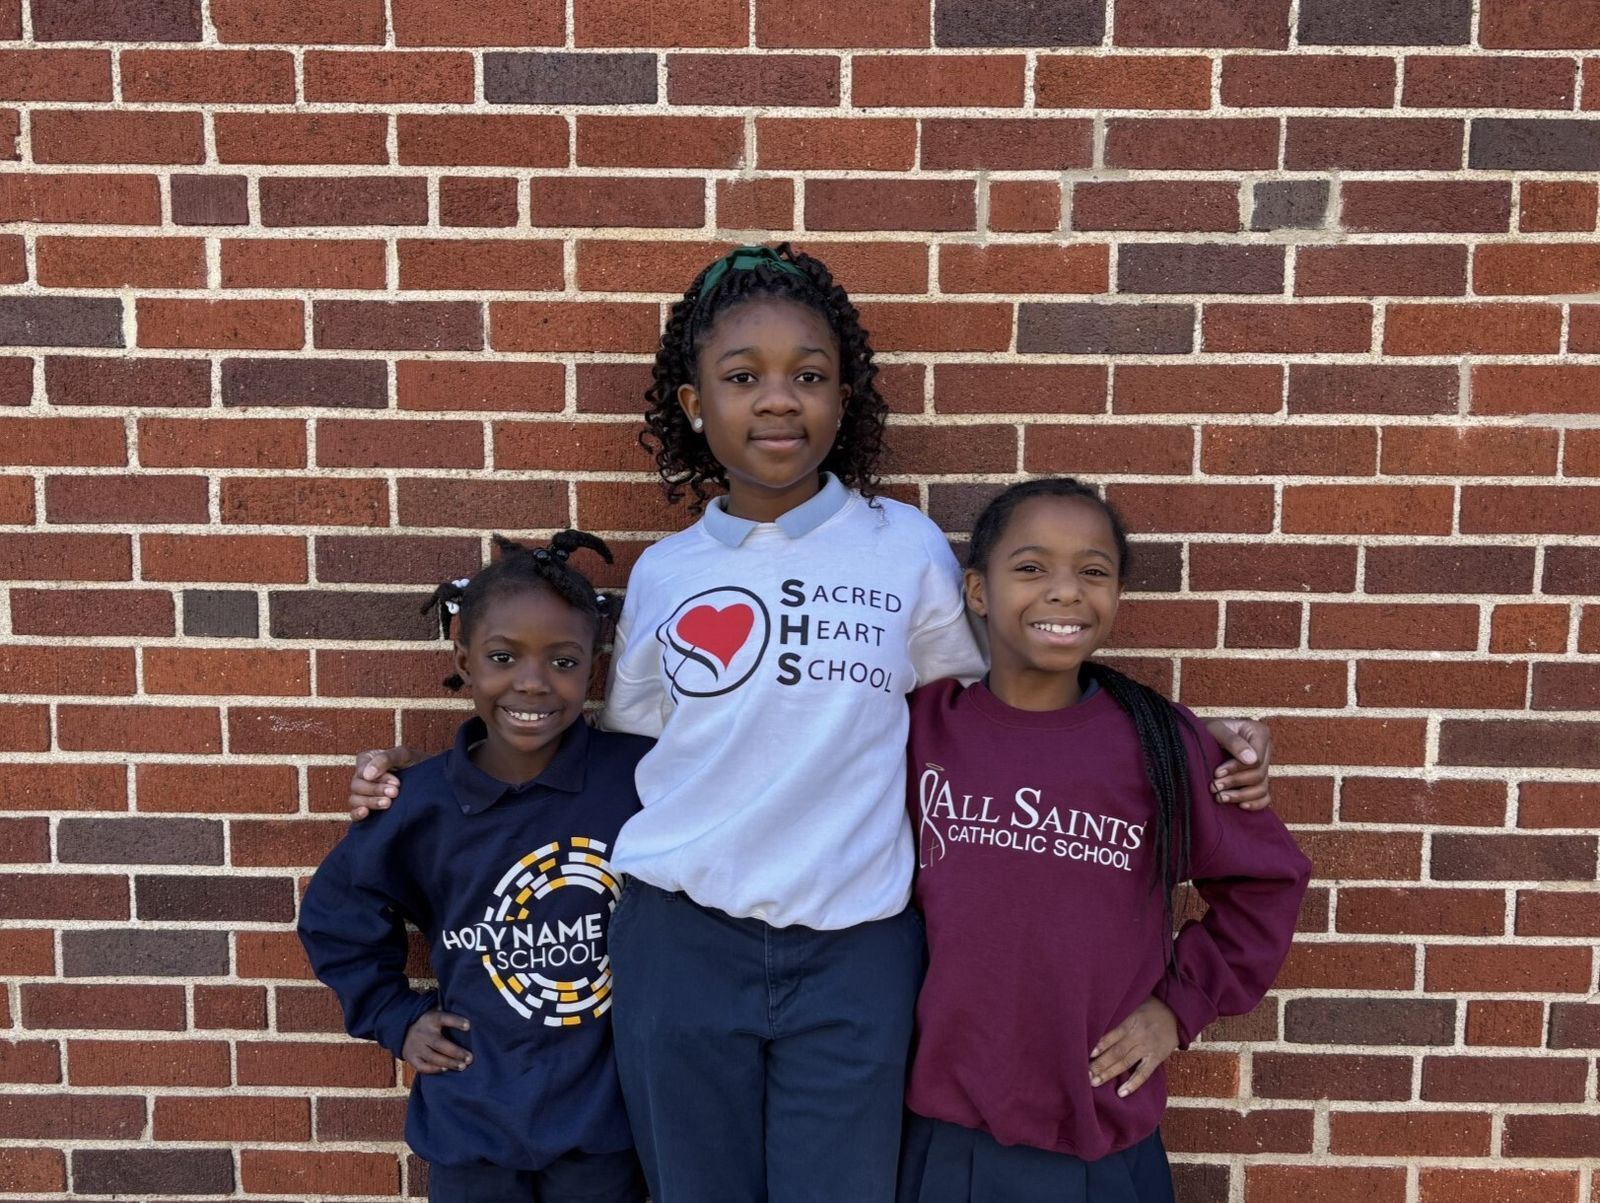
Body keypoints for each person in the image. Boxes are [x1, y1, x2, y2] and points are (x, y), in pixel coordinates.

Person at [346, 244, 1278, 1202]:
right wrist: (416, 781)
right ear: (693, 404)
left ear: (846, 399)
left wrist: (1192, 743)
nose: (779, 400)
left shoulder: (903, 546)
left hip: (855, 950)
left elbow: (997, 707)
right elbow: (612, 754)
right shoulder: (668, 575)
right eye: (743, 377)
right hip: (681, 941)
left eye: (810, 376)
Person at [898, 478, 1311, 1203]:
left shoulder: (1160, 744)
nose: (1065, 592)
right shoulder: (923, 728)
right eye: (1030, 568)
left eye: (1093, 572)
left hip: (1098, 1146)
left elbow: (1267, 884)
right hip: (944, 1139)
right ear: (977, 590)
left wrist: (1178, 1006)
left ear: (1116, 595)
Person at [300, 532, 650, 1203]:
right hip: (472, 1120)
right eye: (501, 656)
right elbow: (335, 917)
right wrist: (393, 1014)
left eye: (564, 660)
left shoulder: (635, 780)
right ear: (463, 660)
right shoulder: (420, 802)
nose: (532, 682)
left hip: (604, 1127)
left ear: (593, 666)